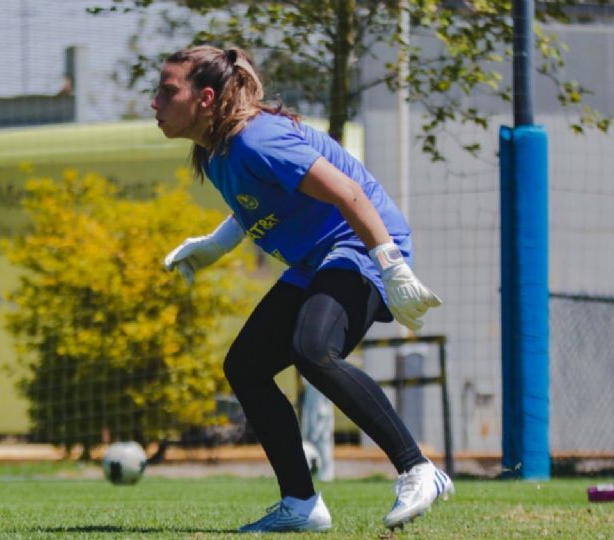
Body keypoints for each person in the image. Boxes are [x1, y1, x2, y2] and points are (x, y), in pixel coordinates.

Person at [153, 45, 452, 533]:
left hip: (360, 242)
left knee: (313, 349)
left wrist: (391, 267)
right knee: (245, 366)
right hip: (316, 257)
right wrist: (214, 245)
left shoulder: (258, 139)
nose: (156, 103)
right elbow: (260, 201)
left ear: (205, 98)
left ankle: (419, 470)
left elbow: (349, 194)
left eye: (168, 92)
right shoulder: (217, 151)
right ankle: (301, 503)